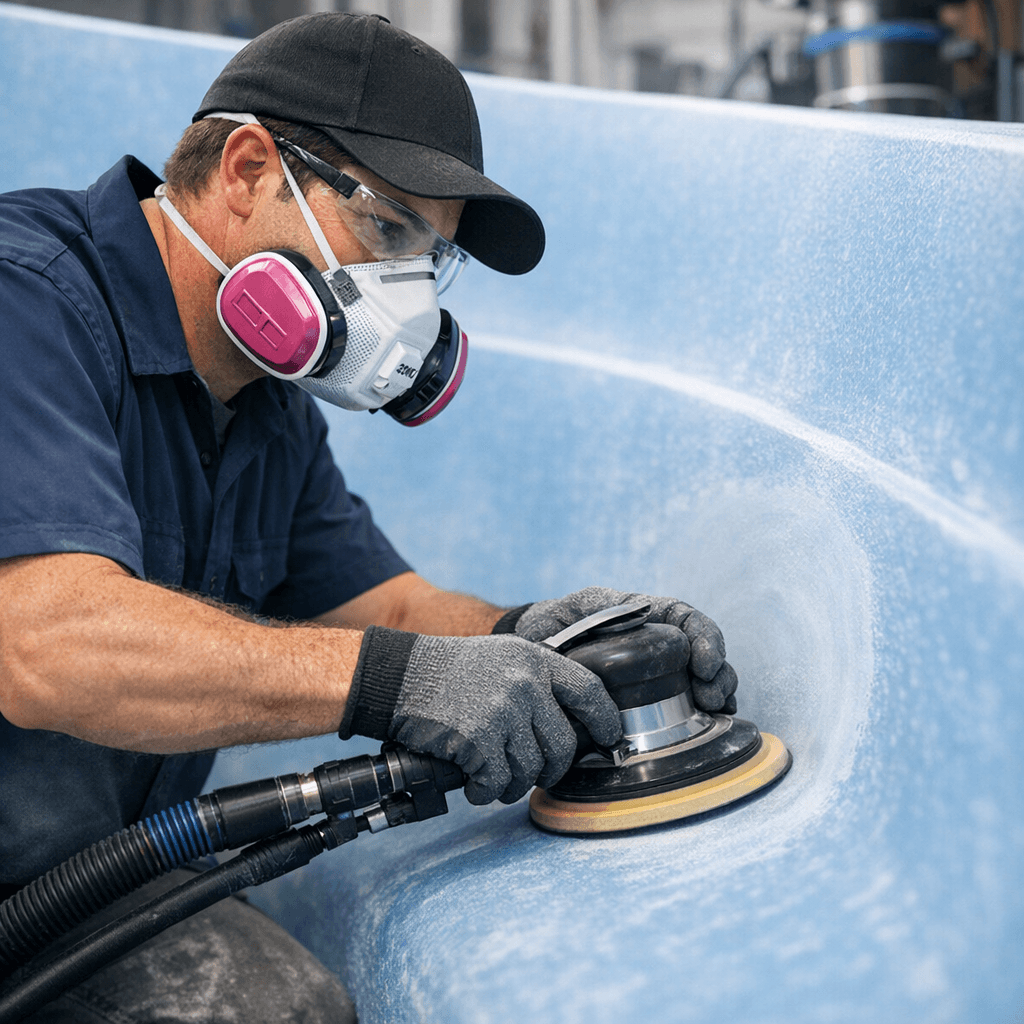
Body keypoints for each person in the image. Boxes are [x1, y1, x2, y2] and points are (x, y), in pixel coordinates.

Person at [0, 12, 738, 1022]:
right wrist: (403, 684)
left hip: (80, 891)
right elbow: (47, 644)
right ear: (249, 169)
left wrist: (545, 639)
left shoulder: (264, 407)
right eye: (386, 228)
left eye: (426, 261)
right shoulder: (25, 303)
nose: (401, 297)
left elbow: (382, 603)